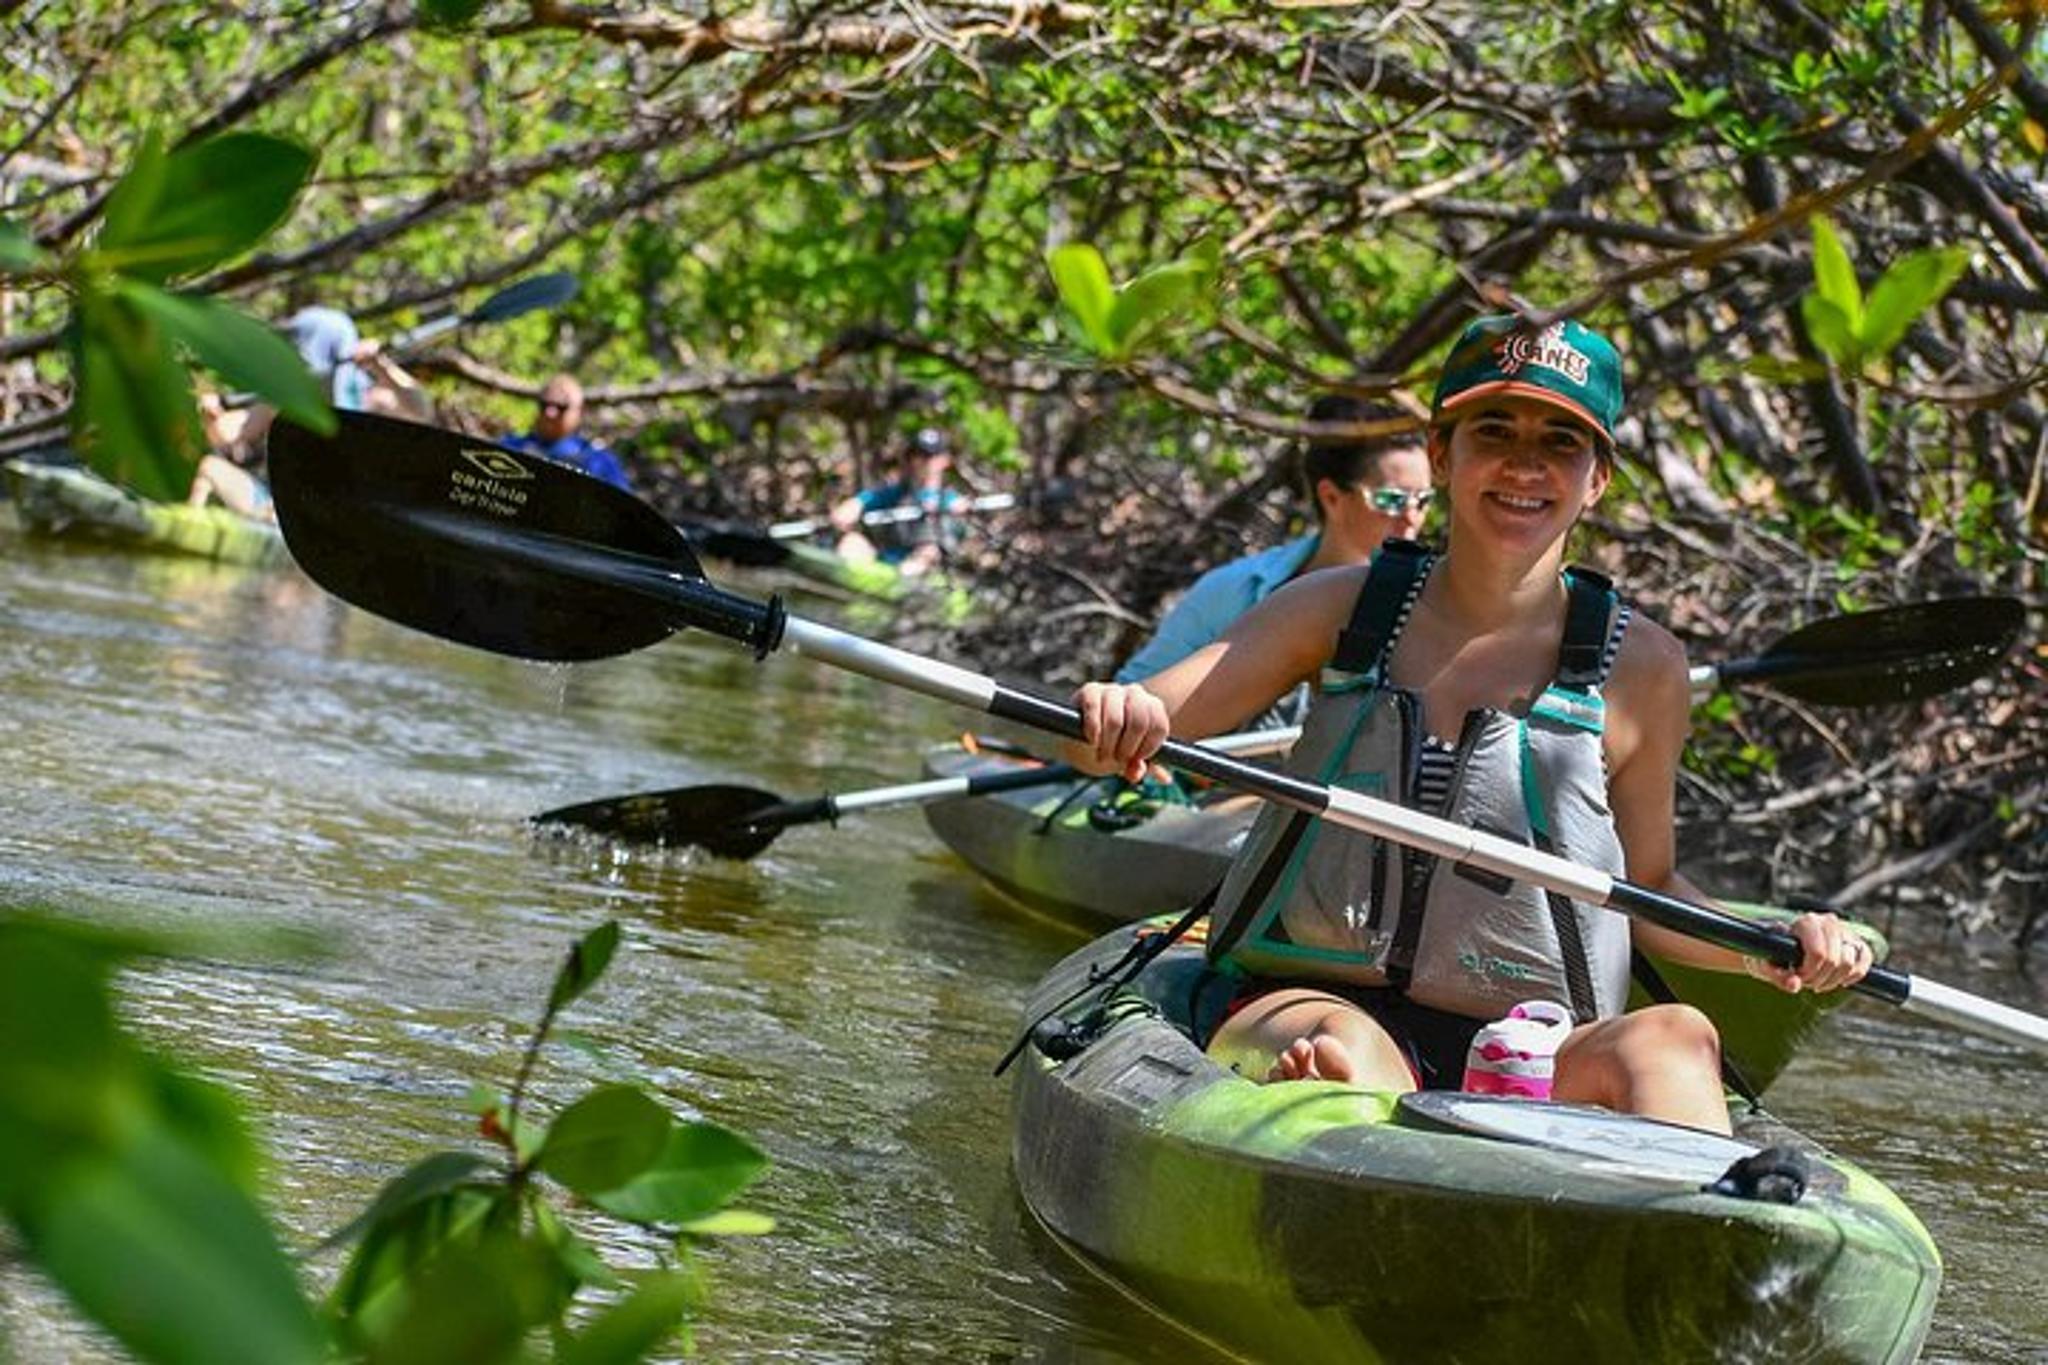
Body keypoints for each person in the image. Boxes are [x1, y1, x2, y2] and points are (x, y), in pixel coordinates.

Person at [1064, 314, 1872, 1135]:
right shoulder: (1339, 610)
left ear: (1597, 480)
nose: (1525, 463)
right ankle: (1336, 1116)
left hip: (1529, 1041)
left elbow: (1649, 887)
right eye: (1496, 430)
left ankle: (1692, 1238)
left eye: (1562, 441)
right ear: (1444, 456)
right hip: (1308, 998)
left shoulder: (1644, 669)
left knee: (1677, 1036)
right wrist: (1119, 714)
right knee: (1346, 1047)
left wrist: (1770, 945)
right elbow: (1122, 725)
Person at [1117, 396, 1434, 722]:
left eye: (1423, 500)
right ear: (1332, 497)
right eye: (1391, 500)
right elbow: (1129, 698)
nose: (1412, 518)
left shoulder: (1432, 608)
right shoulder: (1236, 589)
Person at [187, 306, 427, 519]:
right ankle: (184, 525)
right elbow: (227, 434)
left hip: (320, 516)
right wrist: (210, 413)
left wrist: (380, 363)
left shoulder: (377, 400)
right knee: (207, 466)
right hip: (268, 503)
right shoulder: (283, 402)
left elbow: (419, 410)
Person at [829, 426, 966, 577]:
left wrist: (960, 512)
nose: (922, 461)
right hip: (885, 562)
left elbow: (954, 534)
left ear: (944, 460)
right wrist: (852, 508)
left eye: (929, 456)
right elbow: (854, 506)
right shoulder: (895, 492)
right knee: (851, 543)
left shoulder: (949, 499)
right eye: (917, 455)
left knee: (929, 551)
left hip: (922, 570)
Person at [500, 374, 632, 492]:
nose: (550, 413)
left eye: (561, 407)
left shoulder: (598, 461)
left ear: (580, 411)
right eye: (545, 405)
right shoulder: (510, 447)